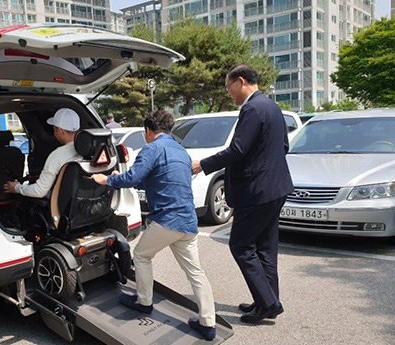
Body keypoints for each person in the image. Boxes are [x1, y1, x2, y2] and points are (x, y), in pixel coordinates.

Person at [92, 110, 216, 341]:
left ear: (149, 131)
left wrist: (106, 179)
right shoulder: (181, 150)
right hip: (188, 221)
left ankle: (143, 301)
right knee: (195, 273)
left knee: (141, 255)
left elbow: (132, 178)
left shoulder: (151, 149)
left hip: (166, 220)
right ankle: (208, 323)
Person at [192, 64, 294, 323]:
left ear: (240, 81)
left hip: (257, 192)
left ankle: (268, 302)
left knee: (240, 245)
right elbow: (284, 145)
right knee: (265, 248)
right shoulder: (272, 106)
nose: (229, 94)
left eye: (229, 88)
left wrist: (202, 165)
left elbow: (237, 150)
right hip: (276, 188)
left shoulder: (251, 108)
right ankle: (267, 300)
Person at [3, 108, 82, 198]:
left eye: (54, 130)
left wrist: (16, 188)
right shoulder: (90, 151)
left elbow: (40, 191)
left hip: (61, 208)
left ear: (60, 131)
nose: (53, 133)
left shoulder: (57, 155)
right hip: (85, 205)